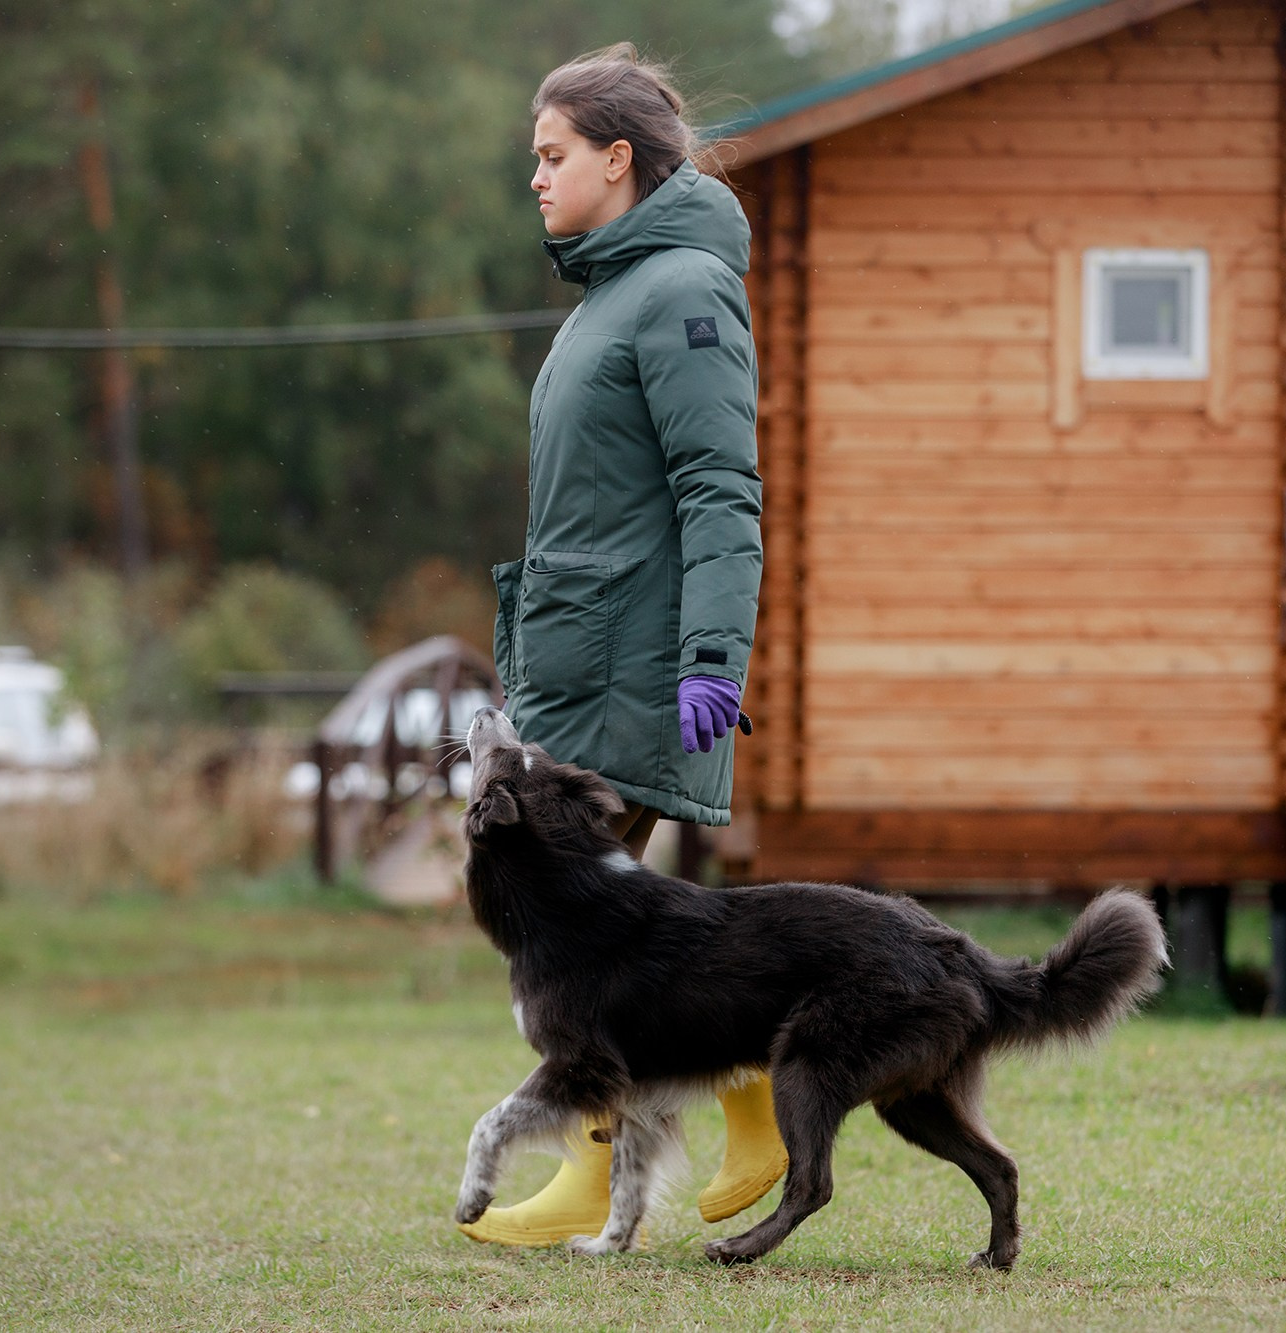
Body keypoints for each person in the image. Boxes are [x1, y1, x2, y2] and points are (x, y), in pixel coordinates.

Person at [460, 43, 785, 1247]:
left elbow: (719, 491)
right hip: (572, 655)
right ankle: (726, 1115)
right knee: (606, 930)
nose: (535, 181)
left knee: (597, 933)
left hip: (634, 662)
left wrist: (711, 656)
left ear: (617, 157)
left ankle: (691, 1138)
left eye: (551, 157)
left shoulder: (685, 289)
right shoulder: (612, 291)